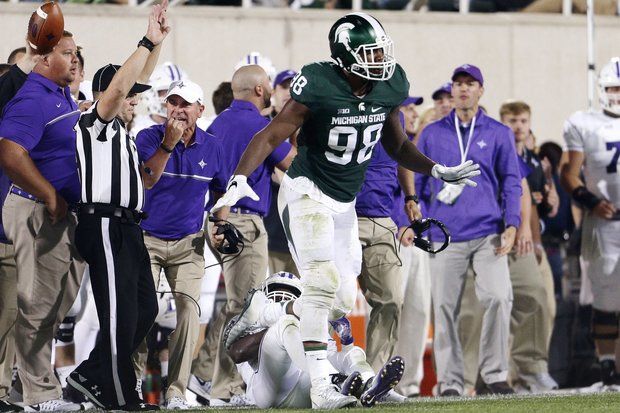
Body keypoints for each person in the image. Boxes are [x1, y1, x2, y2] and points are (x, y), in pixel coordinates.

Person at [214, 13, 479, 408]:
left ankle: (272, 314)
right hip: (307, 192)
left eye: (381, 51)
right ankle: (323, 385)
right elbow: (270, 134)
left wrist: (436, 169)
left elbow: (398, 146)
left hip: (344, 202)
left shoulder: (389, 84)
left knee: (337, 299)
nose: (380, 60)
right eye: (371, 52)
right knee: (321, 281)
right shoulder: (319, 83)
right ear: (345, 54)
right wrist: (238, 179)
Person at [64, 3, 171, 410]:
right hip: (104, 224)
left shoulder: (122, 134)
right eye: (128, 97)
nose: (134, 102)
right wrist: (146, 41)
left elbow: (136, 80)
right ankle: (122, 397)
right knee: (119, 313)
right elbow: (121, 87)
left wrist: (157, 45)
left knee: (144, 307)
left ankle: (90, 374)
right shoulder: (96, 122)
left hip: (128, 226)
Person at [416, 64, 521, 396]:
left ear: (480, 90)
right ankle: (450, 382)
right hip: (446, 235)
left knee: (499, 297)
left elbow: (512, 182)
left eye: (470, 84)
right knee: (445, 309)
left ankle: (494, 373)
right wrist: (417, 221)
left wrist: (513, 223)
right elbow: (417, 182)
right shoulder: (431, 133)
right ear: (451, 91)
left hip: (489, 231)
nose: (462, 89)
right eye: (457, 84)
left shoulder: (498, 132)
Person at [194, 65, 296, 407]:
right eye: (267, 85)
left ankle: (207, 374)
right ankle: (226, 386)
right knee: (246, 308)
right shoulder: (260, 125)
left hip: (216, 220)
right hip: (245, 223)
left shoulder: (216, 124)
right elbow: (291, 164)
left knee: (235, 304)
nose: (268, 90)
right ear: (257, 90)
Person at [0, 30, 86, 412]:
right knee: (29, 308)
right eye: (67, 53)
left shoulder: (61, 96)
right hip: (33, 210)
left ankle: (23, 385)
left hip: (55, 214)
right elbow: (11, 153)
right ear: (44, 59)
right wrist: (50, 194)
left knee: (53, 306)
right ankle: (38, 393)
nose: (75, 60)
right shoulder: (32, 97)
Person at [133, 79, 228, 409]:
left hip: (189, 243)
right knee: (142, 310)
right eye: (173, 103)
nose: (178, 109)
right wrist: (168, 145)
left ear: (200, 110)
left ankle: (176, 390)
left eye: (186, 104)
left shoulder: (213, 147)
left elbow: (221, 191)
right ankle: (134, 382)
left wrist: (220, 222)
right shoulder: (147, 138)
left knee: (189, 311)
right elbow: (146, 179)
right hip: (147, 238)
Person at [227, 272, 406, 408]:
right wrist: (281, 317)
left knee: (350, 353)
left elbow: (327, 356)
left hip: (306, 391)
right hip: (267, 393)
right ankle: (336, 381)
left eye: (289, 294)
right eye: (276, 292)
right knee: (285, 323)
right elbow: (237, 353)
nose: (281, 298)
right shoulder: (251, 318)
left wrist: (347, 343)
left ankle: (371, 386)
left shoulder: (305, 321)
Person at [560, 57, 620, 387]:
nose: (617, 94)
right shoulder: (583, 122)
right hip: (605, 223)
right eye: (613, 88)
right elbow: (569, 173)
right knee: (606, 299)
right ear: (601, 90)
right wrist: (592, 202)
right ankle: (607, 367)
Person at [356, 95, 423, 372]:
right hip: (342, 217)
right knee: (332, 302)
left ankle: (373, 376)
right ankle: (323, 375)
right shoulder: (337, 106)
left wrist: (410, 196)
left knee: (391, 298)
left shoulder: (394, 115)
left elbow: (402, 155)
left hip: (381, 217)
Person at [130, 61, 187, 137]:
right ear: (151, 94)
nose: (175, 97)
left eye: (179, 93)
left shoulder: (195, 125)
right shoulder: (136, 127)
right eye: (168, 91)